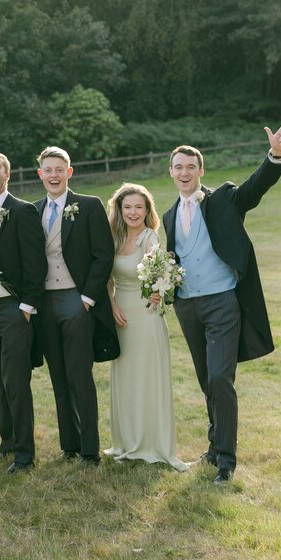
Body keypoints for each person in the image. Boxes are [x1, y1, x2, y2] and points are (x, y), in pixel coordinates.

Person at [162, 119, 281, 485]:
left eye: (191, 167)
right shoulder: (169, 215)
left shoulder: (223, 199)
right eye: (178, 167)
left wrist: (275, 156)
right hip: (188, 307)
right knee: (207, 379)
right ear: (171, 173)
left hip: (222, 303)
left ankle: (226, 463)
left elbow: (253, 190)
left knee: (221, 377)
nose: (185, 173)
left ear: (201, 171)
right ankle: (214, 447)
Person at [33, 146, 118, 466]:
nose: (53, 175)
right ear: (40, 174)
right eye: (48, 170)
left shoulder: (89, 205)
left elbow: (103, 255)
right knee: (57, 375)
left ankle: (90, 449)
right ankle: (68, 444)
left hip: (76, 299)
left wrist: (87, 298)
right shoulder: (33, 210)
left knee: (79, 374)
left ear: (69, 172)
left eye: (59, 170)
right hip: (45, 302)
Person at [0, 151, 47, 474]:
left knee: (16, 381)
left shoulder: (22, 211)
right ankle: (7, 446)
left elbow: (35, 262)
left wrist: (26, 308)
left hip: (14, 309)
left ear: (7, 174)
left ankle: (25, 455)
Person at [103, 183, 188, 472]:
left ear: (147, 210)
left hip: (146, 315)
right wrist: (112, 304)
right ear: (119, 209)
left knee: (147, 378)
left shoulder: (150, 237)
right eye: (127, 207)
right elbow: (107, 277)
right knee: (126, 377)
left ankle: (152, 443)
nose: (133, 212)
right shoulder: (114, 237)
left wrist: (159, 290)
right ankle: (126, 441)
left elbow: (162, 273)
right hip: (121, 314)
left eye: (139, 207)